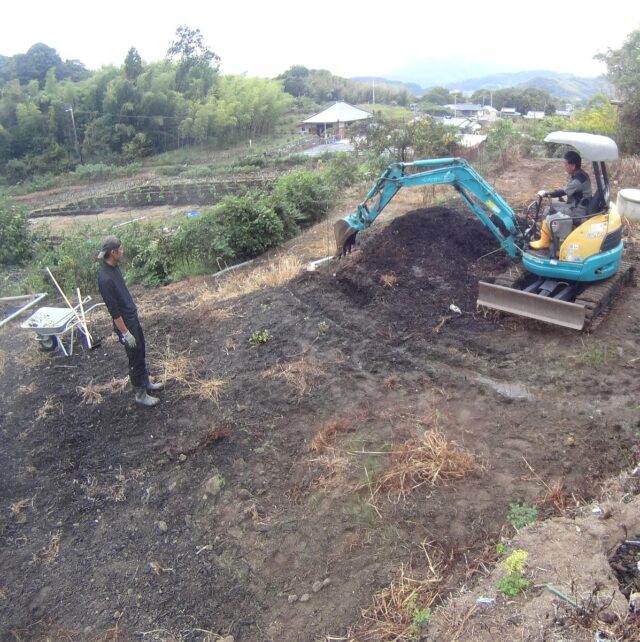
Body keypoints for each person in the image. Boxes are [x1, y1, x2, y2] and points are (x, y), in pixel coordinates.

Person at [97, 236, 164, 407]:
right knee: (134, 357)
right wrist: (125, 333)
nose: (123, 251)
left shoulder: (114, 268)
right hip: (125, 324)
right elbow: (114, 311)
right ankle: (140, 394)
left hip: (132, 319)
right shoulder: (105, 278)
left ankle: (146, 383)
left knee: (141, 351)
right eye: (121, 248)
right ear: (113, 252)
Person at [529, 150, 593, 250]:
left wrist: (546, 194)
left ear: (572, 166)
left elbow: (563, 192)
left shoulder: (578, 180)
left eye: (565, 163)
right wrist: (561, 190)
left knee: (549, 211)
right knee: (550, 206)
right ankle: (549, 235)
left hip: (578, 211)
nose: (564, 166)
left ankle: (545, 241)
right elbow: (570, 190)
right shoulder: (580, 174)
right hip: (576, 204)